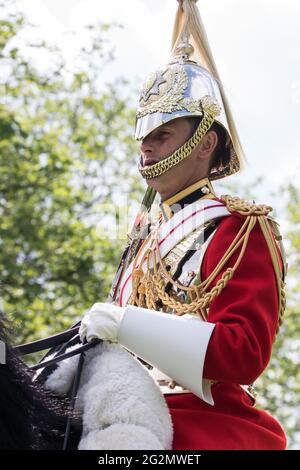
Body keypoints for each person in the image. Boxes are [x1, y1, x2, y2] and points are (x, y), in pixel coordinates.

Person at [77, 0, 288, 449]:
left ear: (204, 143)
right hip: (119, 407)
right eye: (144, 137)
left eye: (163, 135)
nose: (147, 149)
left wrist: (126, 323)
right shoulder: (143, 232)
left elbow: (245, 351)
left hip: (202, 421)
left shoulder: (237, 229)